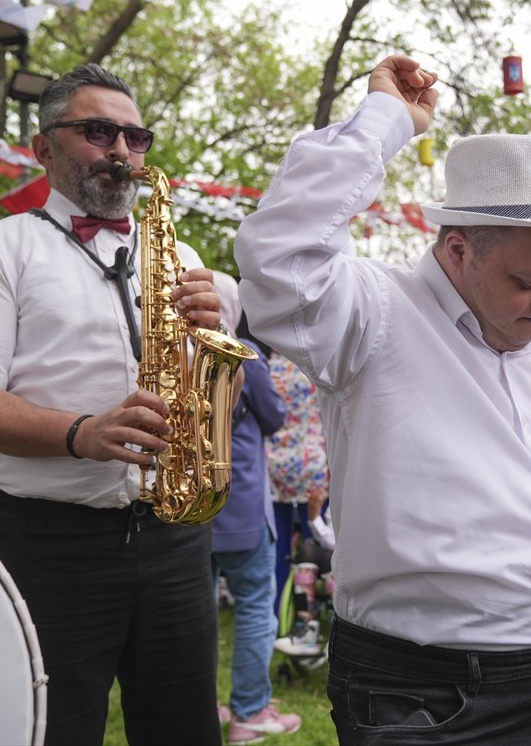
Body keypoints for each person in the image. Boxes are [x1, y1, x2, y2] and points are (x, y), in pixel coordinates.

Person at [234, 54, 531, 746]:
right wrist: (384, 121)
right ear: (457, 248)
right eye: (529, 279)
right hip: (424, 694)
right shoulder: (372, 313)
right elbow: (277, 261)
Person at [0, 63, 226, 744]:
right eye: (98, 131)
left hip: (175, 536)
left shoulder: (175, 254)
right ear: (44, 148)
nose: (121, 150)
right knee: (51, 731)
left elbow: (206, 396)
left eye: (135, 136)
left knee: (184, 731)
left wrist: (210, 338)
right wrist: (82, 433)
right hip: (49, 546)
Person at [209, 273, 300, 744]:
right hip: (241, 501)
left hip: (189, 508)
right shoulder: (242, 353)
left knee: (197, 614)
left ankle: (205, 707)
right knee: (255, 610)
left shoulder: (172, 351)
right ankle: (249, 711)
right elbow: (275, 416)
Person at [264, 350, 331, 614]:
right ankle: (310, 615)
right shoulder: (313, 366)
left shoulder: (269, 368)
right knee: (313, 543)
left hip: (275, 465)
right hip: (312, 461)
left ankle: (277, 609)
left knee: (278, 546)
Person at [273, 484, 336, 658]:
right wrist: (314, 516)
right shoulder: (342, 492)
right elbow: (330, 538)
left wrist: (315, 519)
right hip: (337, 556)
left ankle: (343, 626)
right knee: (307, 551)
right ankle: (306, 627)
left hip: (359, 561)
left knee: (335, 559)